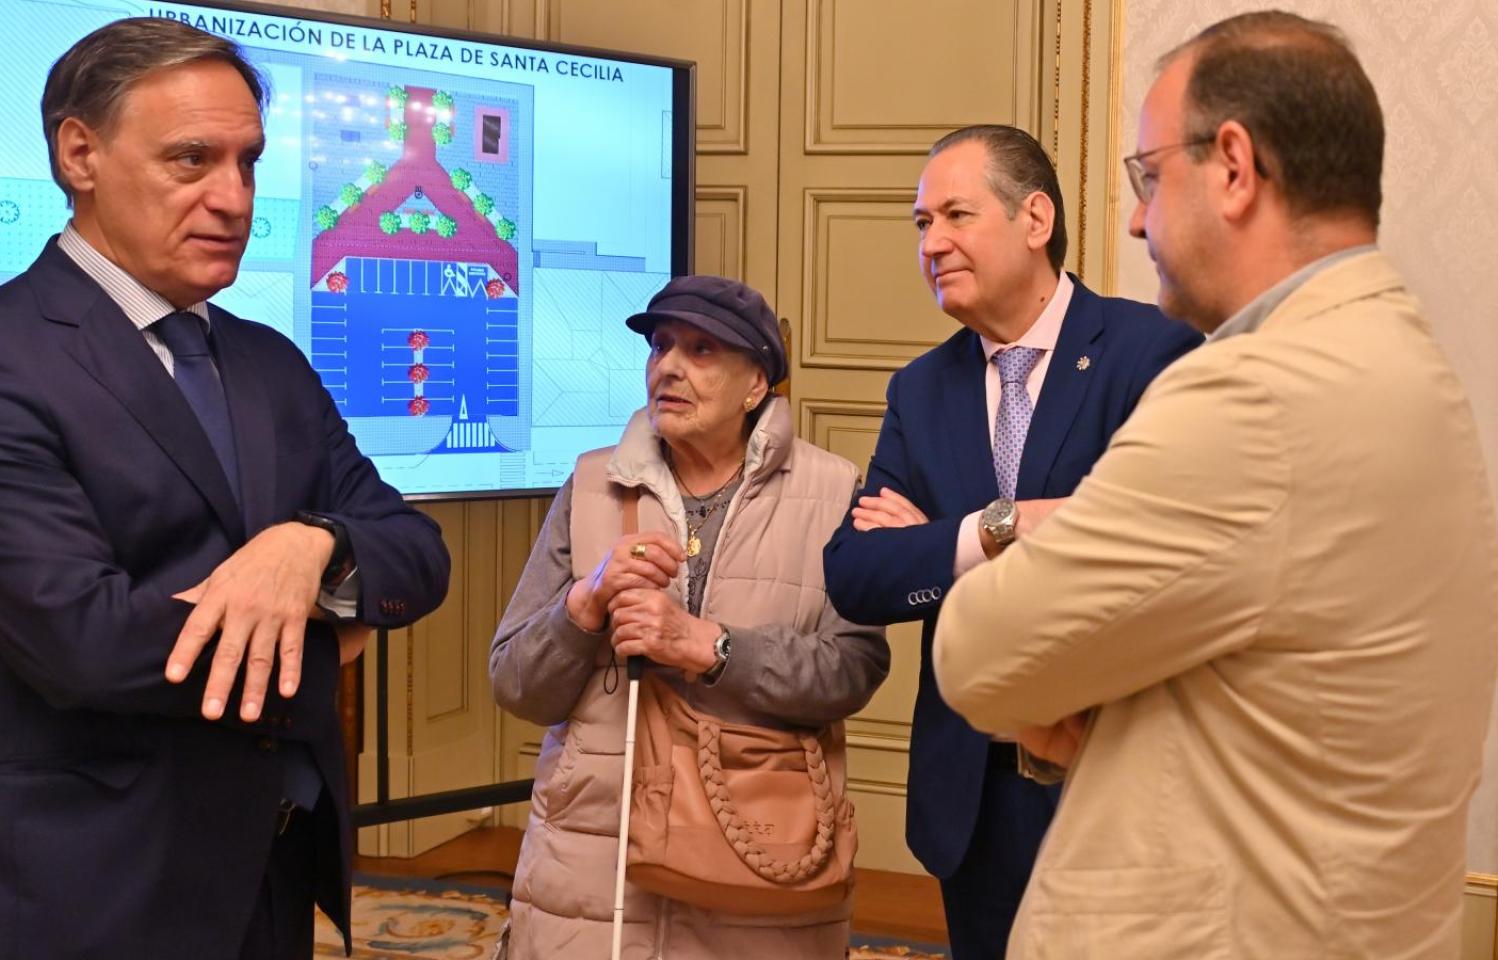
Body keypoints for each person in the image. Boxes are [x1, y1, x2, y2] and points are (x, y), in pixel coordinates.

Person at [934, 12, 1498, 958]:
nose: (1135, 219)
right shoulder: (1408, 370)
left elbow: (977, 652)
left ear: (1233, 166)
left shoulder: (1255, 393)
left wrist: (1080, 682)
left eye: (1149, 177)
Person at [0, 18, 450, 960]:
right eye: (192, 159)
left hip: (271, 875)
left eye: (247, 162)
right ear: (81, 153)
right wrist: (332, 644)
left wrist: (308, 547)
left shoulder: (267, 360)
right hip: (87, 887)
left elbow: (413, 549)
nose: (233, 198)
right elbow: (89, 643)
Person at [819, 125, 1200, 959]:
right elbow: (855, 575)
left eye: (955, 214)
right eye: (921, 223)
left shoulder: (1151, 354)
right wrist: (1004, 526)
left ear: (1035, 218)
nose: (933, 243)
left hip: (1108, 778)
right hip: (973, 796)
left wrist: (938, 543)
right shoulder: (921, 390)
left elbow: (1149, 559)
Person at [489, 275, 889, 958]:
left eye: (702, 350)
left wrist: (712, 647)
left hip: (761, 878)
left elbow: (852, 672)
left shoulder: (834, 493)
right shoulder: (589, 486)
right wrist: (581, 608)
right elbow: (517, 685)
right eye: (661, 346)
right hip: (590, 881)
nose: (669, 366)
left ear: (757, 383)